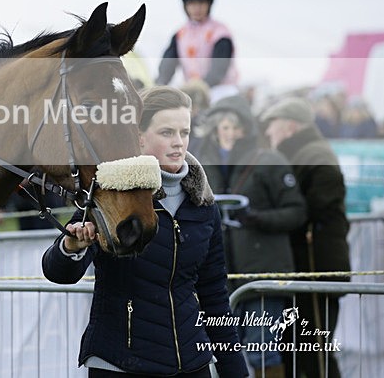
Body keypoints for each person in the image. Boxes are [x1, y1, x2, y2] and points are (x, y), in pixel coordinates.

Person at [42, 86, 248, 377]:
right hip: (119, 362)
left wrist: (235, 371)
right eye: (167, 133)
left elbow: (214, 295)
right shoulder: (111, 194)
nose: (179, 143)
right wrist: (72, 247)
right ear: (138, 137)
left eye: (184, 132)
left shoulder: (204, 205)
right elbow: (58, 272)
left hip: (192, 362)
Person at [196, 95, 306, 377]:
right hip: (222, 277)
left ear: (246, 129)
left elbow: (297, 212)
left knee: (262, 350)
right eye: (223, 127)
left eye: (235, 127)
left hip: (263, 274)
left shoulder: (269, 160)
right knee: (226, 353)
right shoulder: (201, 164)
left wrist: (258, 218)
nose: (229, 133)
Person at [260, 97, 350, 378]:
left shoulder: (314, 155)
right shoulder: (304, 153)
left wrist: (291, 215)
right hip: (309, 267)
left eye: (272, 125)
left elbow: (323, 204)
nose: (269, 133)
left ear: (290, 126)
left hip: (317, 267)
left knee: (313, 351)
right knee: (301, 349)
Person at [156, 0, 238, 103]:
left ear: (209, 4)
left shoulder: (220, 32)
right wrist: (159, 85)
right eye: (192, 3)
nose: (196, 8)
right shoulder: (180, 35)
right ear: (185, 6)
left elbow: (219, 69)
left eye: (201, 3)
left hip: (220, 91)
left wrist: (200, 87)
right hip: (191, 94)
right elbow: (168, 66)